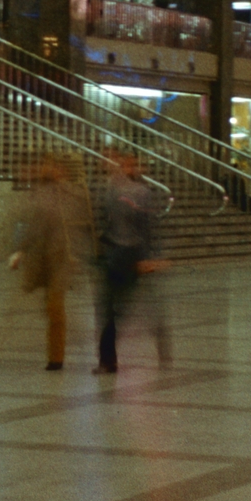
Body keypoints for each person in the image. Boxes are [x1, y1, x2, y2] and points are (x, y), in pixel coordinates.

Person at [9, 155, 90, 370]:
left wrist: (78, 253)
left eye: (54, 166)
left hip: (63, 258)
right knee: (50, 307)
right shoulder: (39, 193)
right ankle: (55, 352)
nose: (48, 170)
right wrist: (21, 250)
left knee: (55, 306)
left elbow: (79, 224)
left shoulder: (72, 192)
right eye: (46, 166)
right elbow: (32, 224)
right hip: (43, 258)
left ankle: (56, 358)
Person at [92, 151, 166, 374]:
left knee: (121, 309)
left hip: (129, 255)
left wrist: (148, 257)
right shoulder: (108, 189)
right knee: (110, 309)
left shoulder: (140, 192)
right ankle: (108, 360)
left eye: (130, 165)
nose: (126, 168)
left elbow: (146, 227)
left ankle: (160, 344)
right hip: (113, 254)